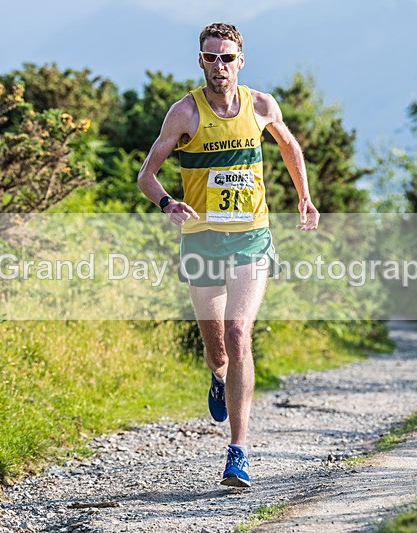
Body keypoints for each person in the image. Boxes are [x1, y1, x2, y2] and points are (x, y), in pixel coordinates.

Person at [137, 22, 319, 488]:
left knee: (239, 334)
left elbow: (288, 144)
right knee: (216, 346)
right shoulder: (183, 114)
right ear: (200, 60)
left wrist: (304, 196)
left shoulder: (261, 105)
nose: (220, 65)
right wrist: (167, 202)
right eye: (211, 57)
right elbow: (147, 175)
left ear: (242, 60)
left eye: (228, 57)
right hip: (200, 239)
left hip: (250, 237)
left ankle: (238, 451)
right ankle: (219, 378)